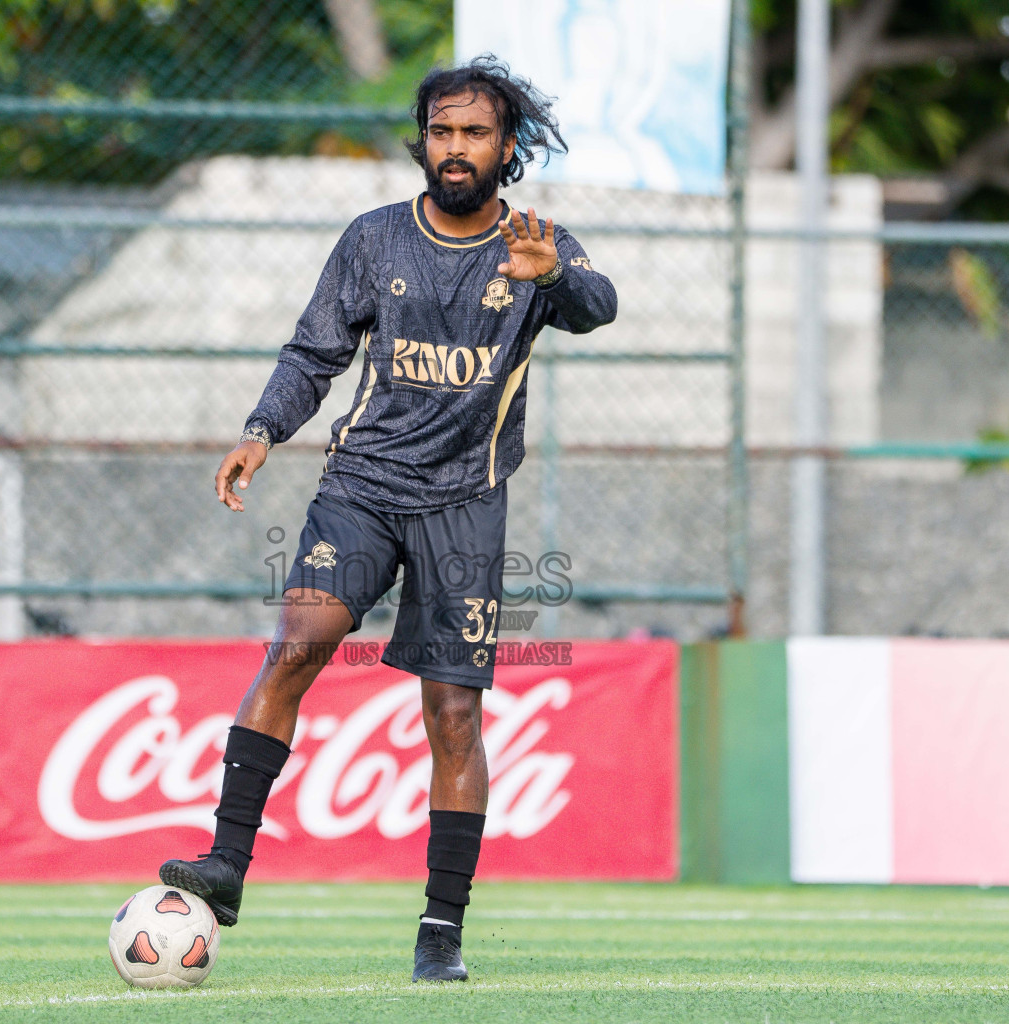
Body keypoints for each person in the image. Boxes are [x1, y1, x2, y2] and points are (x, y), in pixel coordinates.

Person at [159, 54, 617, 984]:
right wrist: (261, 430)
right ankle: (227, 868)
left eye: (475, 134)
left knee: (452, 717)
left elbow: (599, 306)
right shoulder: (373, 239)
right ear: (424, 142)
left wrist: (555, 281)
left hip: (465, 503)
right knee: (298, 643)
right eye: (442, 133)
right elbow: (313, 351)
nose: (455, 150)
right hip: (362, 485)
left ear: (506, 148)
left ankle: (440, 931)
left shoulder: (534, 241)